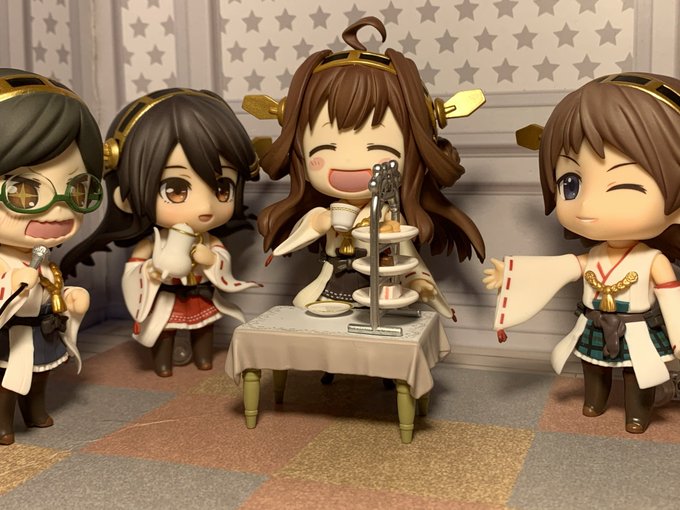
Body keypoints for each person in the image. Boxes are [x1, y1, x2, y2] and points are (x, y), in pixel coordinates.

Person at [247, 17, 485, 318]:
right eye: (325, 149)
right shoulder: (323, 214)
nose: (348, 164)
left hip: (378, 294)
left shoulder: (387, 217)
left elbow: (407, 260)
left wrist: (424, 287)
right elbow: (302, 233)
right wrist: (319, 224)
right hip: (330, 287)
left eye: (377, 150)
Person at [484, 72, 680, 433]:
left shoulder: (653, 261)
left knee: (639, 372)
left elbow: (671, 299)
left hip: (637, 328)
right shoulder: (593, 257)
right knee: (592, 365)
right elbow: (555, 270)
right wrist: (510, 276)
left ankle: (637, 413)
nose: (587, 205)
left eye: (623, 186)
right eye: (570, 184)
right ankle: (595, 400)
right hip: (593, 322)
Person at [62, 89, 260, 377]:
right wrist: (152, 271)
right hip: (167, 296)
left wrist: (210, 259)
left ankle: (204, 358)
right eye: (176, 189)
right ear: (127, 196)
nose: (205, 207)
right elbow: (135, 269)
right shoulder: (154, 242)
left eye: (222, 188)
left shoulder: (208, 239)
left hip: (200, 293)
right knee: (163, 331)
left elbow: (221, 261)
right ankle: (163, 363)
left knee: (204, 328)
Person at [0, 69, 102, 445]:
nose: (58, 210)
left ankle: (35, 411)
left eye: (77, 190)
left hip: (43, 329)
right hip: (9, 334)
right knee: (7, 379)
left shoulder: (42, 257)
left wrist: (70, 299)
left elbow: (52, 286)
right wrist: (11, 286)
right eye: (25, 191)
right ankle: (3, 421)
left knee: (40, 374)